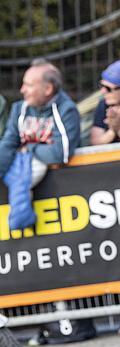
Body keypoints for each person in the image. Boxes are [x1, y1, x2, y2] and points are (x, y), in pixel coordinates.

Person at [0, 59, 80, 228]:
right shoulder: (19, 109)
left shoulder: (66, 110)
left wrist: (29, 148)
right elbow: (8, 144)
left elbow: (61, 153)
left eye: (28, 85)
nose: (22, 90)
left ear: (48, 89)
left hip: (66, 196)